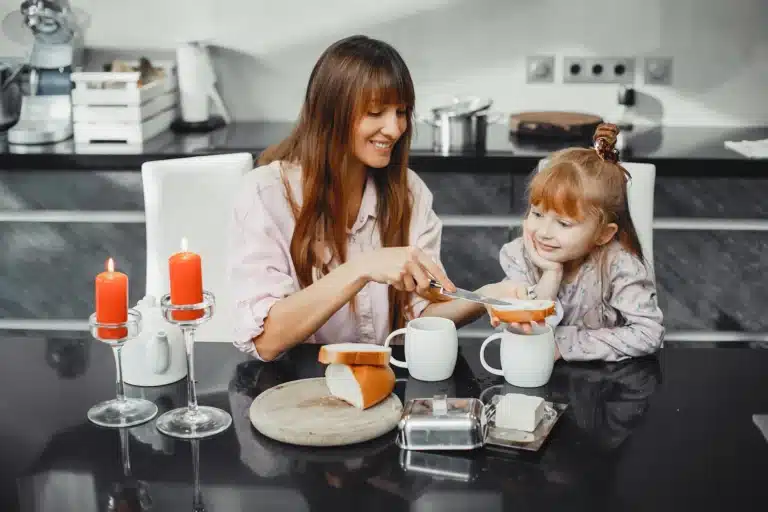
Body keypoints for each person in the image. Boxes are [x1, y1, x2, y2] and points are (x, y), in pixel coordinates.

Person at [227, 35, 512, 361]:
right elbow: (266, 340)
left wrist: (485, 298)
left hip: (383, 381)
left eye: (401, 112)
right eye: (376, 112)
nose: (395, 129)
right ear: (330, 113)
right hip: (296, 385)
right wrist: (362, 268)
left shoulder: (410, 192)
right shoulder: (265, 194)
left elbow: (420, 315)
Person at [492, 123, 664, 362]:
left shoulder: (619, 265)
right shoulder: (520, 255)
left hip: (606, 382)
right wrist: (551, 274)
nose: (544, 232)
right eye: (537, 214)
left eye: (564, 224)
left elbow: (649, 334)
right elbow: (522, 329)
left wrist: (564, 344)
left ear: (603, 234)